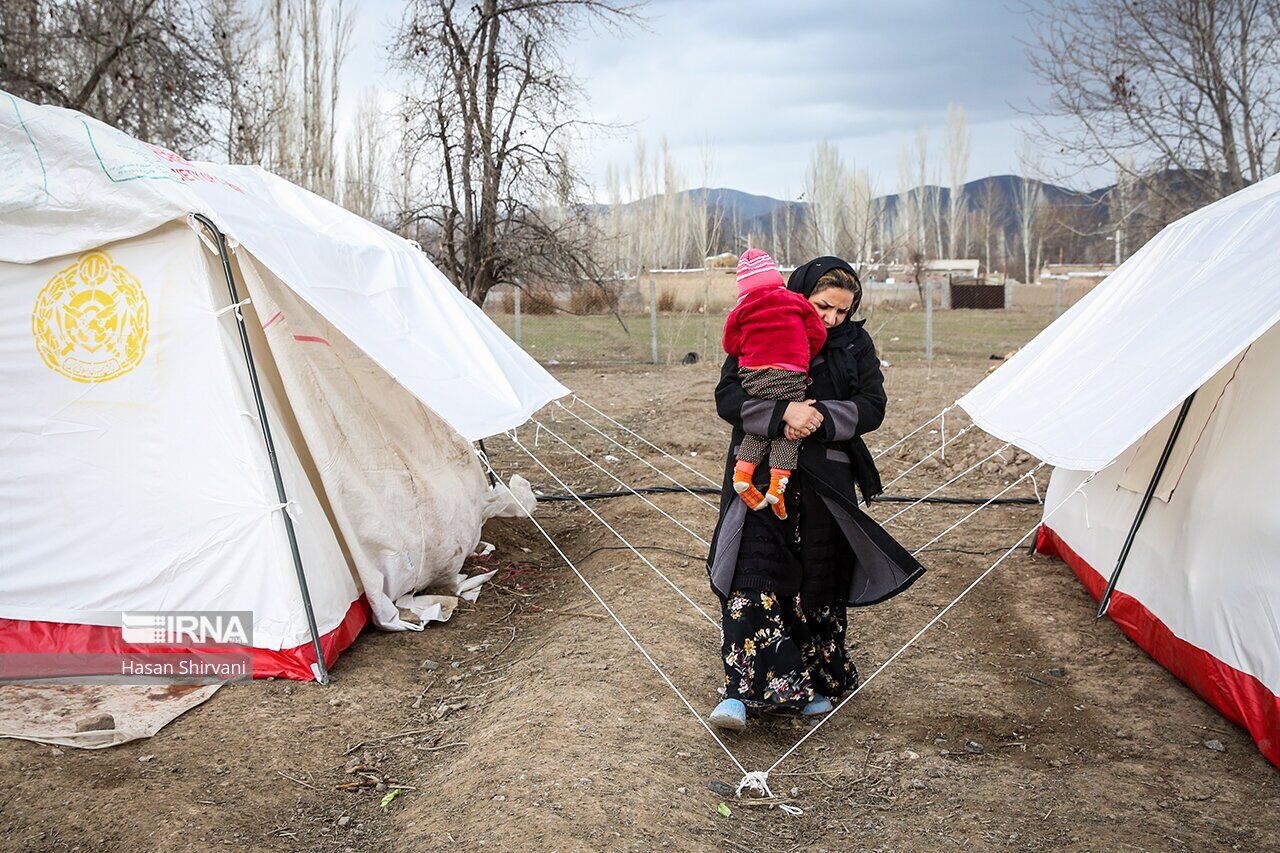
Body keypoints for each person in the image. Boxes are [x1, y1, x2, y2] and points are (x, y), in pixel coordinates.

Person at [706, 256, 925, 730]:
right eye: (823, 307)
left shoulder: (855, 345)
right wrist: (783, 412)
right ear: (800, 295)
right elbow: (729, 396)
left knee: (815, 585)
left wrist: (817, 416)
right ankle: (741, 694)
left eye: (843, 311)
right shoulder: (766, 318)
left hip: (826, 482)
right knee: (753, 573)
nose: (831, 320)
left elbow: (872, 406)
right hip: (761, 476)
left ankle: (811, 685)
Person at [721, 248, 828, 518]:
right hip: (790, 375)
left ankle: (743, 473)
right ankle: (777, 487)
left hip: (754, 374)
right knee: (789, 431)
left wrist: (749, 349)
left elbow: (730, 343)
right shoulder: (794, 300)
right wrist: (804, 355)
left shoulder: (741, 309)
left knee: (760, 429)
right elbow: (816, 332)